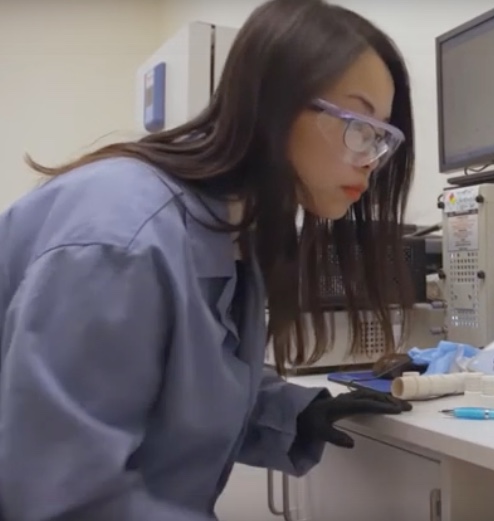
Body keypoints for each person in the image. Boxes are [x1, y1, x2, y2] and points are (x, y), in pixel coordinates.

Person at [0, 0, 418, 519]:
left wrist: (293, 413)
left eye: (382, 139)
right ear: (274, 104)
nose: (370, 161)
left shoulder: (226, 229)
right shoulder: (123, 241)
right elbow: (59, 496)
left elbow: (177, 386)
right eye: (360, 124)